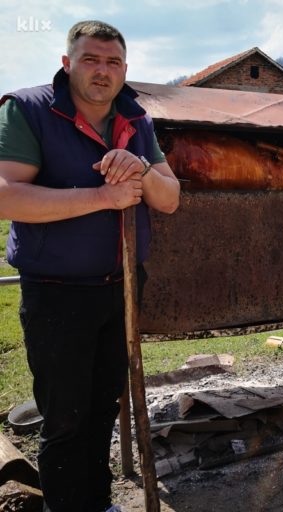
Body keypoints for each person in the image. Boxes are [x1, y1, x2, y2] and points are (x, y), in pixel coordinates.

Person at [0, 20, 180, 512]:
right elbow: (6, 196)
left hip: (119, 286)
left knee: (102, 410)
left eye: (113, 62)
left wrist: (140, 167)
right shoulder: (29, 110)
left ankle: (98, 503)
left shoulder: (136, 120)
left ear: (125, 71)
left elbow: (169, 199)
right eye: (91, 60)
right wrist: (104, 197)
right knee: (65, 418)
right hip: (57, 291)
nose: (103, 71)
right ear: (67, 64)